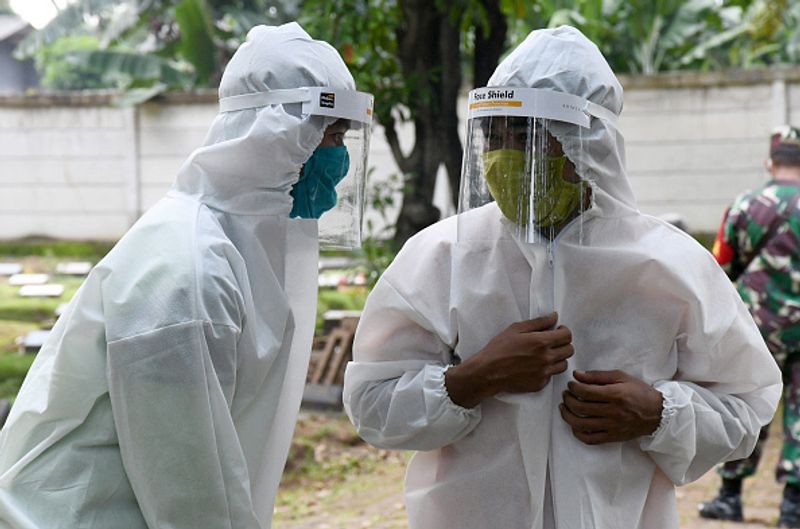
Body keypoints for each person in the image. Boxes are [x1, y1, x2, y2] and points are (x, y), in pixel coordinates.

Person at [342, 25, 782, 529]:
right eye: (495, 134)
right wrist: (471, 379)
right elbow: (371, 405)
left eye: (526, 135)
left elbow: (747, 405)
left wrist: (659, 414)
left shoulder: (669, 265)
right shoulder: (440, 257)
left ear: (586, 144)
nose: (505, 153)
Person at [0, 22, 373, 529]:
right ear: (273, 134)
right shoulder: (188, 273)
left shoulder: (226, 247)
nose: (340, 157)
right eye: (329, 135)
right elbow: (192, 498)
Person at [699, 125, 800, 527]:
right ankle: (793, 507)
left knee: (748, 404)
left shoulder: (746, 204)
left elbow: (719, 266)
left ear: (770, 162)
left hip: (759, 326)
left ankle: (729, 496)